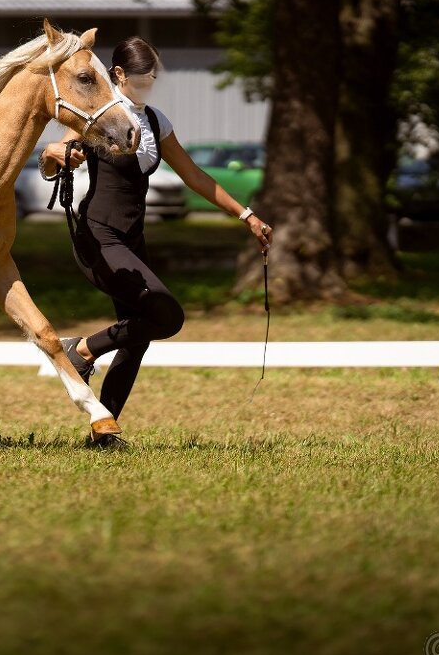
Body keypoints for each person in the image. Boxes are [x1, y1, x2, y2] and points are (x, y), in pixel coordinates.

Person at [39, 36, 273, 449]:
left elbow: (194, 176)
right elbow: (53, 153)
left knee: (138, 337)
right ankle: (83, 350)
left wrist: (246, 215)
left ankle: (103, 433)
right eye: (142, 78)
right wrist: (56, 154)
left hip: (132, 240)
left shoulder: (155, 121)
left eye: (153, 78)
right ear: (118, 74)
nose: (149, 85)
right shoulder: (101, 113)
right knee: (168, 315)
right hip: (99, 236)